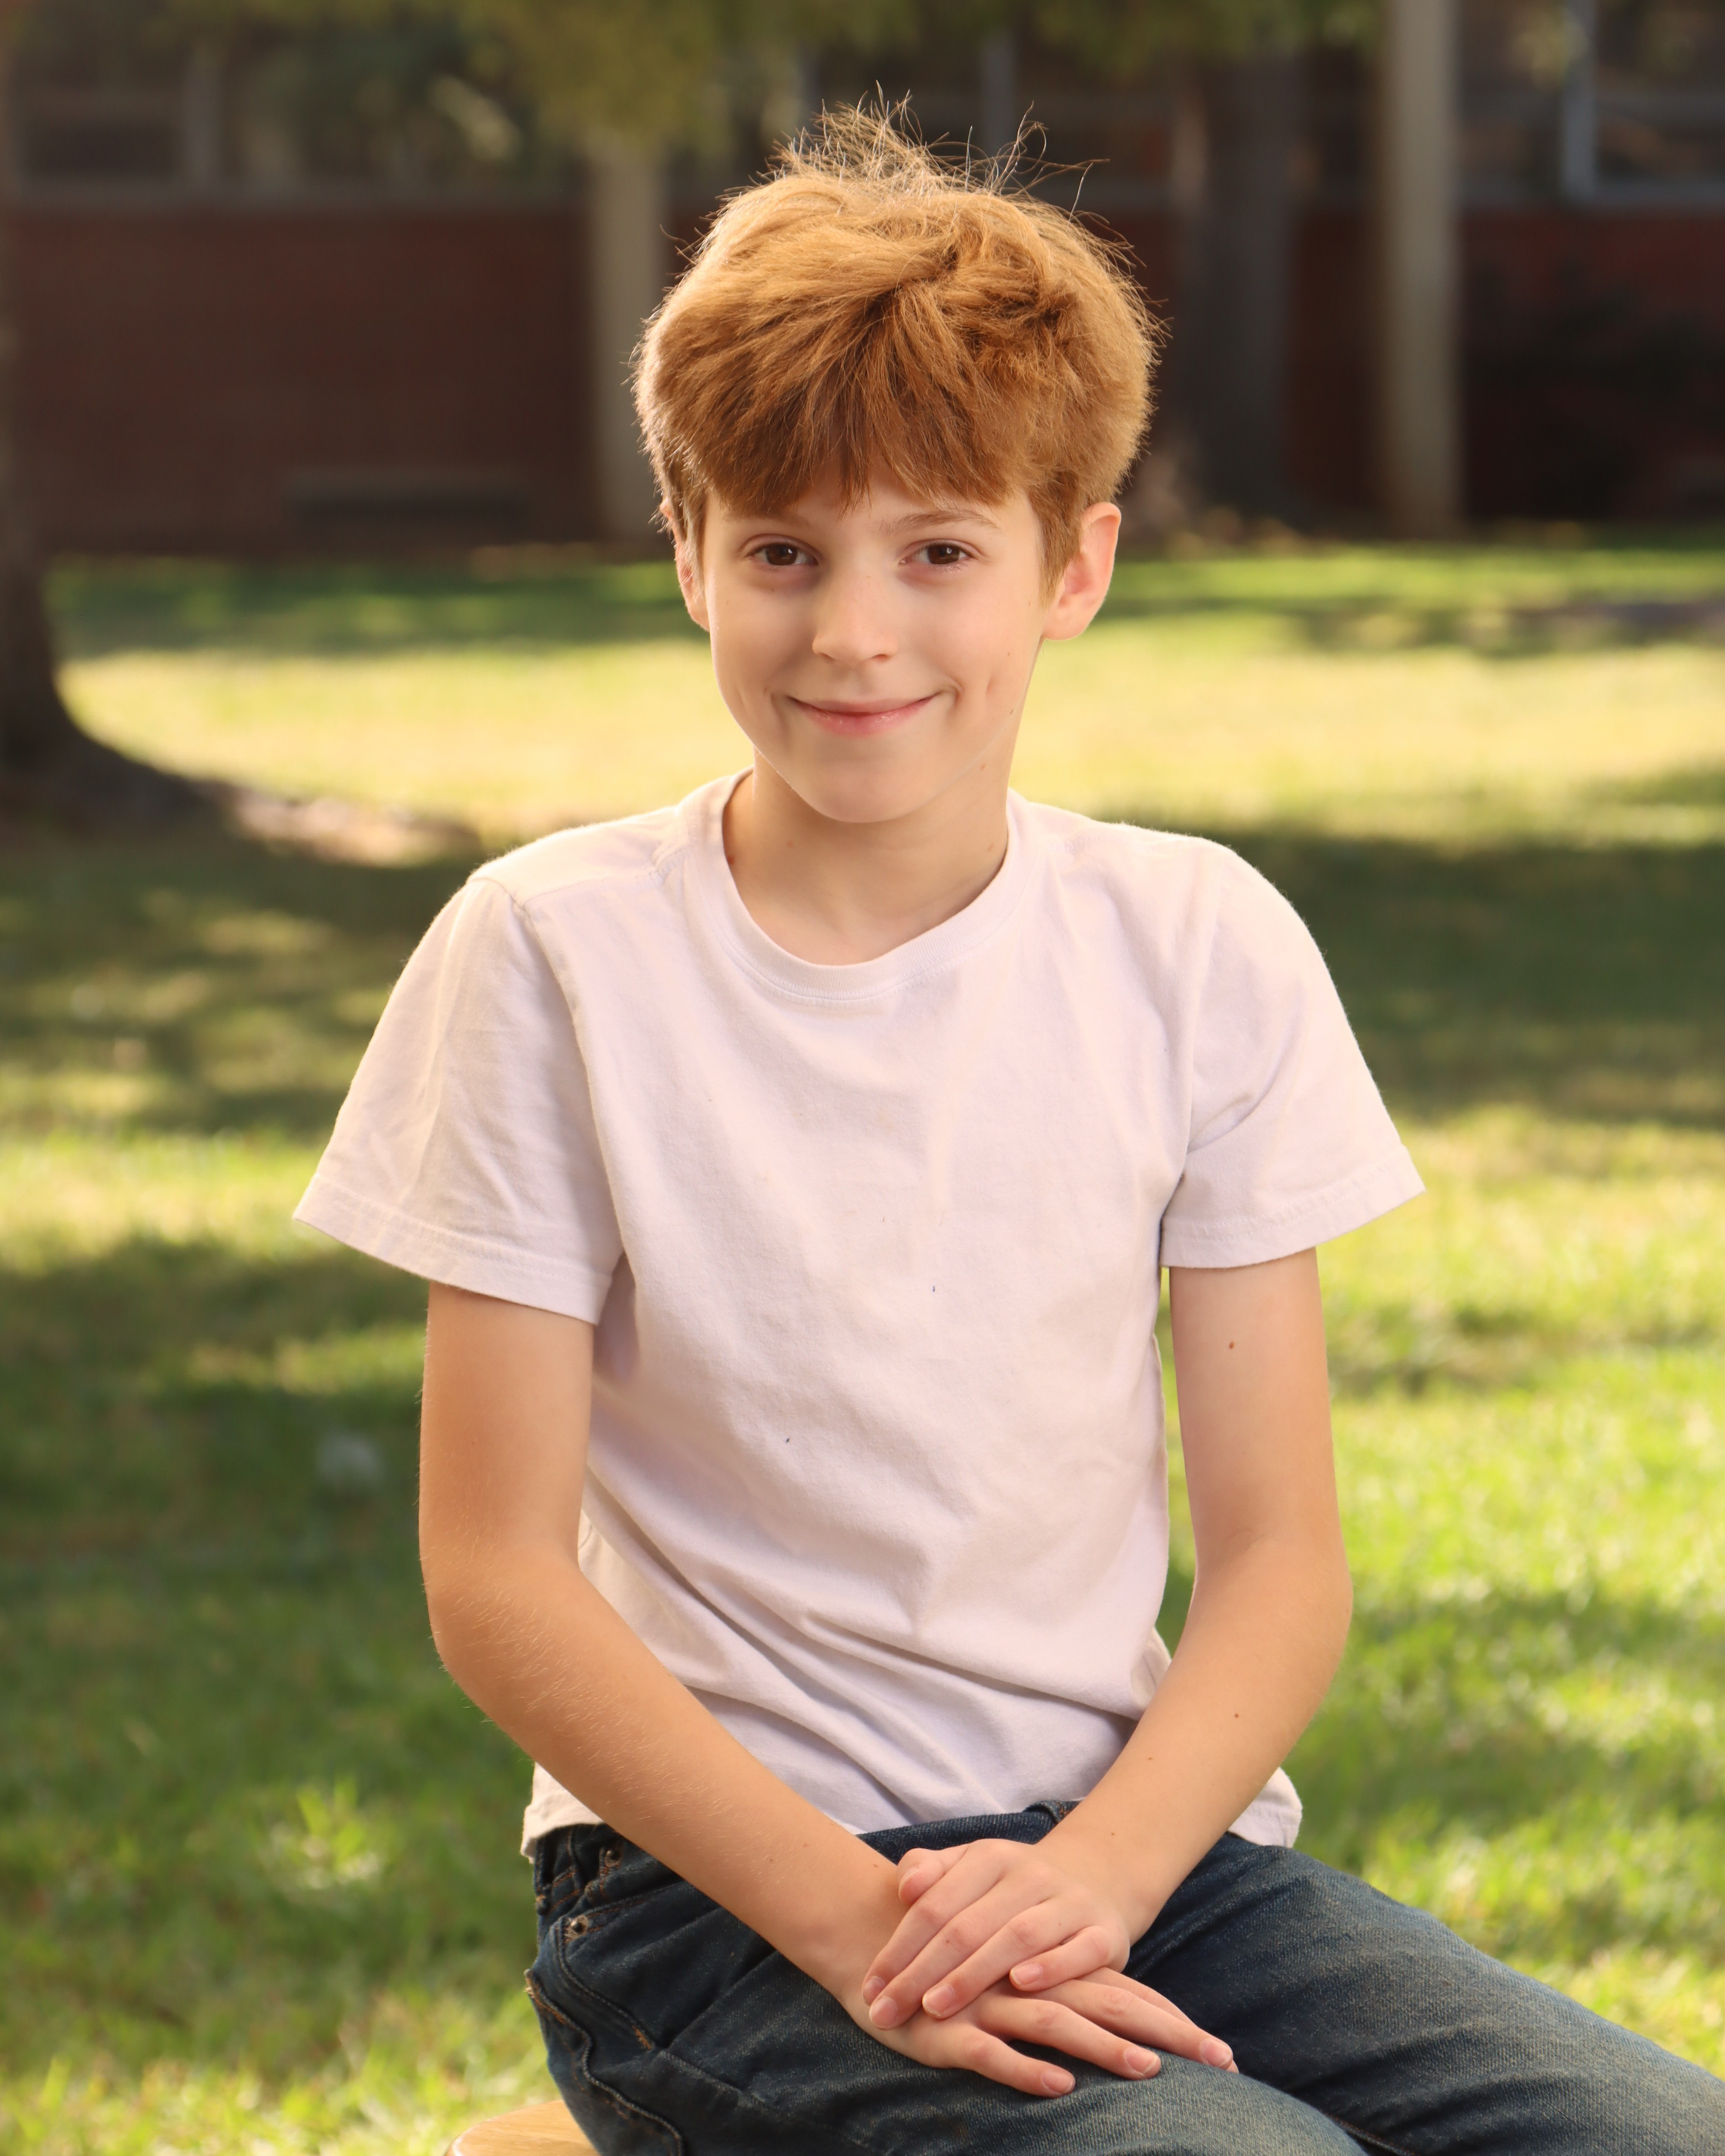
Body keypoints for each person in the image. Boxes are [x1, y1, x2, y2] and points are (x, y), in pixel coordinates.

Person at [295, 110, 1723, 2156]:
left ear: (1078, 565)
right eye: (783, 552)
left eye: (939, 552)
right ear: (689, 553)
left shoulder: (1198, 944)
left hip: (1136, 1859)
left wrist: (1098, 1882)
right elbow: (495, 1577)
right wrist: (867, 1931)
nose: (853, 632)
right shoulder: (551, 954)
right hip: (710, 1907)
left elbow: (1281, 1560)